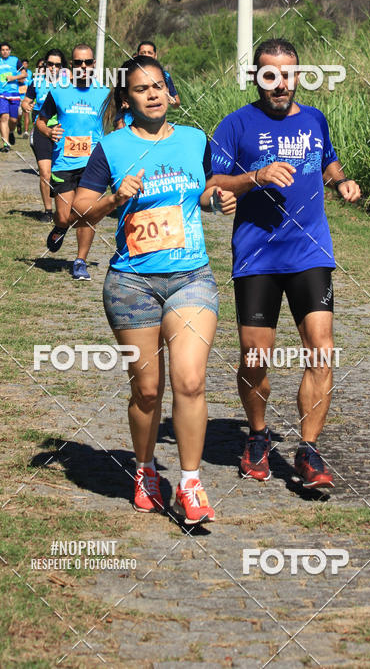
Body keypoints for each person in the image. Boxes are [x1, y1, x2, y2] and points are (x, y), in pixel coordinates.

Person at [66, 56, 235, 524]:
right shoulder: (111, 147)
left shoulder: (195, 139)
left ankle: (191, 484)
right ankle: (144, 471)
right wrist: (115, 198)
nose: (154, 94)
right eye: (142, 89)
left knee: (190, 380)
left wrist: (217, 199)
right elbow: (79, 213)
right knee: (146, 389)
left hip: (190, 278)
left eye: (159, 85)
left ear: (169, 91)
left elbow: (205, 190)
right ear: (126, 99)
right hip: (131, 284)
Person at [208, 38, 361, 489]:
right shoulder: (234, 124)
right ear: (256, 77)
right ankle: (257, 435)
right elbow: (214, 184)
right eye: (270, 74)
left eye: (288, 74)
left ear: (299, 76)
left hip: (310, 252)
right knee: (256, 356)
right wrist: (255, 177)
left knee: (321, 349)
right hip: (257, 256)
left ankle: (308, 449)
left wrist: (341, 181)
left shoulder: (315, 119)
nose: (280, 83)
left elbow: (327, 160)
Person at [36, 44, 109, 279]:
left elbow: (121, 118)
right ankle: (60, 227)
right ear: (72, 65)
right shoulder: (58, 91)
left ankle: (80, 261)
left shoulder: (105, 93)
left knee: (86, 213)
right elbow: (40, 121)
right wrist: (49, 132)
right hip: (64, 163)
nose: (83, 66)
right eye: (78, 62)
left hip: (93, 163)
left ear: (94, 64)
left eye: (87, 62)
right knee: (64, 216)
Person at [22, 49, 66, 222]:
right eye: (50, 64)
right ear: (45, 65)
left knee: (62, 173)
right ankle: (48, 211)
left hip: (63, 131)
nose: (53, 68)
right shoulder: (37, 82)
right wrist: (25, 106)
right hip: (41, 129)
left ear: (62, 66)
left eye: (57, 65)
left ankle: (65, 208)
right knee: (45, 173)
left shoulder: (68, 83)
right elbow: (26, 101)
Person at [0, 41, 27, 152]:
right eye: (2, 50)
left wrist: (13, 78)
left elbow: (24, 74)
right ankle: (6, 144)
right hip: (0, 93)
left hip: (13, 93)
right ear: (0, 51)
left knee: (13, 120)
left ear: (10, 51)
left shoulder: (15, 60)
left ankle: (10, 132)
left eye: (6, 50)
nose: (4, 52)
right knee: (4, 117)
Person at [17, 59, 32, 137]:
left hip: (27, 97)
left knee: (26, 113)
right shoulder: (18, 72)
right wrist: (21, 78)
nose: (24, 65)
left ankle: (26, 131)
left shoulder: (30, 73)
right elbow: (20, 80)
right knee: (19, 114)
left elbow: (30, 82)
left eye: (26, 64)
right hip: (18, 96)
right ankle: (18, 123)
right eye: (23, 64)